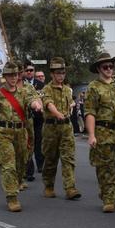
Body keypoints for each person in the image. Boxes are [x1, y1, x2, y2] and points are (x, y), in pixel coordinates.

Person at [0, 62, 43, 211]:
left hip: (21, 132)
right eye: (10, 75)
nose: (13, 78)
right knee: (8, 165)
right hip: (3, 133)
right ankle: (12, 198)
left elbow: (32, 100)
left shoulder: (24, 92)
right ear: (5, 77)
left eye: (15, 75)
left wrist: (36, 104)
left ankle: (16, 183)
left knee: (21, 164)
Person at [85, 52, 115, 212]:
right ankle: (109, 199)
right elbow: (90, 112)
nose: (109, 69)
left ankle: (106, 188)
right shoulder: (93, 88)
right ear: (99, 69)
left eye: (111, 66)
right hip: (103, 131)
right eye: (105, 67)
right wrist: (91, 135)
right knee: (106, 167)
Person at [40, 58, 79, 200]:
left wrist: (72, 106)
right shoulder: (46, 89)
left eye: (63, 73)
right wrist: (57, 114)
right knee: (51, 159)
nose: (61, 76)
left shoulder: (68, 89)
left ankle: (70, 188)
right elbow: (48, 103)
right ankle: (49, 186)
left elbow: (71, 102)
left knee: (68, 158)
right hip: (51, 127)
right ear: (52, 74)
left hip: (66, 128)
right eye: (58, 73)